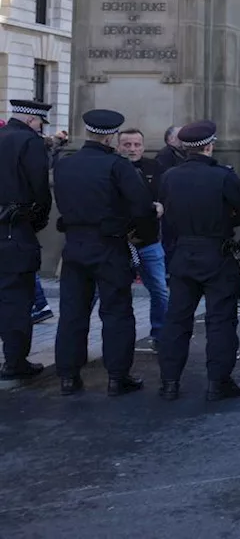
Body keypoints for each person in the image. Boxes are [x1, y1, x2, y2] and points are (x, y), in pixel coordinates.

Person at [53, 109, 157, 396]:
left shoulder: (64, 164)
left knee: (72, 312)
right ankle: (117, 376)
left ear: (87, 132)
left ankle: (69, 377)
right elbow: (141, 206)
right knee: (116, 312)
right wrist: (144, 234)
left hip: (74, 244)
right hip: (109, 244)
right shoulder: (118, 166)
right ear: (112, 136)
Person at [156, 121, 240, 401]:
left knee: (176, 320)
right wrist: (223, 221)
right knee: (220, 320)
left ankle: (169, 382)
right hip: (216, 251)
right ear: (210, 145)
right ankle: (218, 382)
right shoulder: (223, 176)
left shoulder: (170, 177)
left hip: (183, 252)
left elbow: (167, 213)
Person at [0, 100, 53, 383]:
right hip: (14, 230)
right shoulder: (30, 142)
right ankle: (15, 361)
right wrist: (36, 221)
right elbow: (41, 190)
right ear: (35, 121)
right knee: (16, 300)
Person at [116, 128, 169, 353]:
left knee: (159, 289)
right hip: (117, 243)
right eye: (127, 145)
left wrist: (161, 205)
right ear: (119, 146)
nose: (132, 149)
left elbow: (164, 194)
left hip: (148, 241)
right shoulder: (112, 167)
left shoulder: (154, 167)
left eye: (137, 144)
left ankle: (161, 334)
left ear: (143, 146)